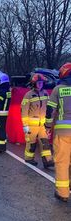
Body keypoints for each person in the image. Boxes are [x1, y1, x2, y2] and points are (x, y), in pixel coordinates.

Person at [45, 62, 71, 202]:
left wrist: (47, 126)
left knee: (62, 162)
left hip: (63, 133)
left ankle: (62, 193)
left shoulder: (58, 89)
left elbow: (50, 111)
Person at [21, 73, 54, 168]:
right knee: (31, 143)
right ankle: (29, 158)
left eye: (42, 83)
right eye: (38, 83)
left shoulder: (45, 93)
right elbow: (24, 111)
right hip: (31, 125)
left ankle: (48, 161)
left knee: (45, 143)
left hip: (42, 125)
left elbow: (49, 108)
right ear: (34, 83)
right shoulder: (28, 95)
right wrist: (25, 126)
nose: (40, 84)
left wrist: (48, 123)